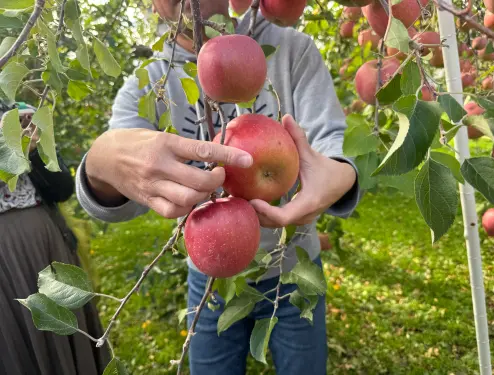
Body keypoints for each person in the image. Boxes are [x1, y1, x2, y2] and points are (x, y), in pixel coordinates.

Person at [75, 2, 360, 374]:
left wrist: (340, 173)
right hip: (209, 269)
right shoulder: (150, 84)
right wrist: (99, 165)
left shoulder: (290, 50)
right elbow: (120, 179)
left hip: (294, 268)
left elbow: (330, 141)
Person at [0, 101, 110, 375]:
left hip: (46, 246)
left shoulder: (15, 109)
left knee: (64, 333)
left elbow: (62, 189)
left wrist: (35, 150)